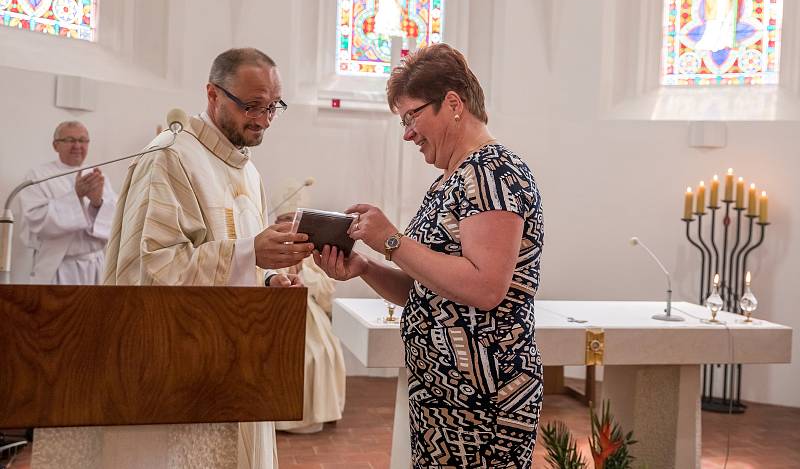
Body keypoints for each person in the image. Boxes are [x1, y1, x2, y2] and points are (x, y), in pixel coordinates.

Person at [31, 48, 315, 469]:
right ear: (213, 94)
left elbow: (239, 260)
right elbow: (151, 268)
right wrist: (249, 252)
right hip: (176, 363)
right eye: (251, 106)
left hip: (235, 362)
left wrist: (268, 281)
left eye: (273, 106)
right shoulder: (170, 157)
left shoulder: (248, 170)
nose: (263, 119)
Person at [315, 43, 544, 468]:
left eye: (411, 116)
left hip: (483, 399)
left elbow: (485, 286)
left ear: (453, 104)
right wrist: (364, 266)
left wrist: (392, 240)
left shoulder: (494, 171)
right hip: (444, 396)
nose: (407, 133)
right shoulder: (449, 181)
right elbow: (429, 290)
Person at [271, 182, 346, 434]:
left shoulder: (311, 250)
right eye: (285, 220)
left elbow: (325, 290)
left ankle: (316, 414)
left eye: (294, 221)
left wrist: (301, 268)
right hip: (274, 312)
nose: (289, 226)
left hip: (308, 312)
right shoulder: (268, 247)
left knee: (319, 353)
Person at [18, 121, 117, 285]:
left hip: (95, 265)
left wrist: (97, 203)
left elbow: (114, 221)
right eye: (70, 140)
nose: (77, 145)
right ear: (55, 145)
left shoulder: (97, 176)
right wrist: (75, 195)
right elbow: (36, 219)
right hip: (58, 266)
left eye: (83, 140)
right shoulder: (38, 176)